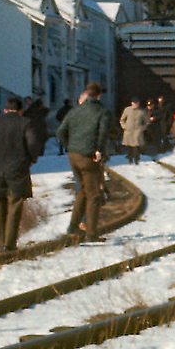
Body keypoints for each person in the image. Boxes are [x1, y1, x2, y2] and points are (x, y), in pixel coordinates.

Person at [0, 97, 44, 251]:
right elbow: (33, 143)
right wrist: (31, 159)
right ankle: (10, 244)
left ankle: (0, 243)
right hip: (17, 170)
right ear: (21, 111)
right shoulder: (25, 123)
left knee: (0, 205)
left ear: (5, 110)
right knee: (15, 205)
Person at [56, 83, 114, 241]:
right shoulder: (103, 112)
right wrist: (99, 150)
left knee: (82, 189)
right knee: (94, 194)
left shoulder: (74, 111)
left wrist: (70, 147)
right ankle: (91, 233)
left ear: (87, 95)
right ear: (99, 95)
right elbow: (103, 134)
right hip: (90, 156)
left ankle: (73, 227)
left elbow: (60, 131)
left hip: (73, 156)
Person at [120, 99, 148, 164]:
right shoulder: (127, 110)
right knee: (129, 147)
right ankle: (130, 159)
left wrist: (143, 128)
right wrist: (124, 127)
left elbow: (146, 121)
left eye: (137, 103)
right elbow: (122, 120)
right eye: (134, 103)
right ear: (131, 103)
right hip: (129, 131)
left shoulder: (142, 111)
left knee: (136, 147)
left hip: (137, 132)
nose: (135, 104)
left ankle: (136, 160)